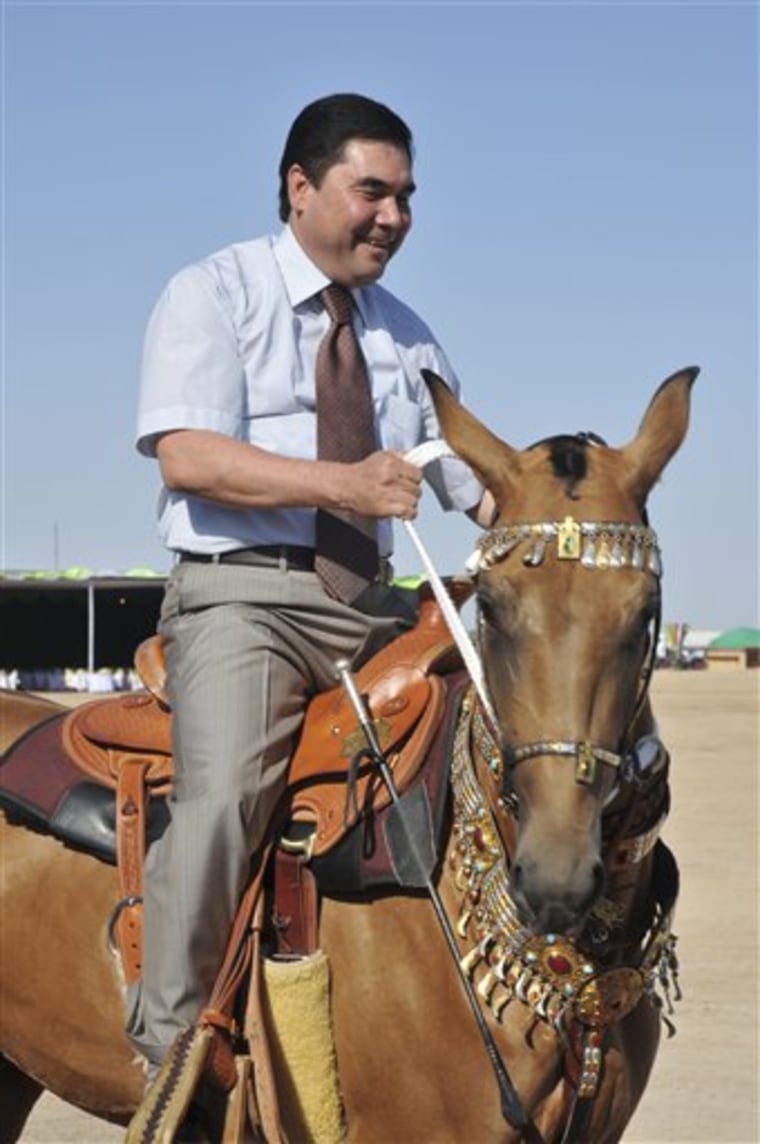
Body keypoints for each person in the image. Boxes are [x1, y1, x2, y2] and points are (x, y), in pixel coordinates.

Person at [128, 92, 493, 1075]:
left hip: (370, 607)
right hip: (241, 598)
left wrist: (566, 501)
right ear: (299, 187)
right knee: (224, 796)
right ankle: (167, 1051)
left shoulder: (406, 335)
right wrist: (343, 482)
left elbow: (474, 484)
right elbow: (188, 457)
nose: (395, 217)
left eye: (406, 197)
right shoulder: (214, 293)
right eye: (372, 191)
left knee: (505, 750)